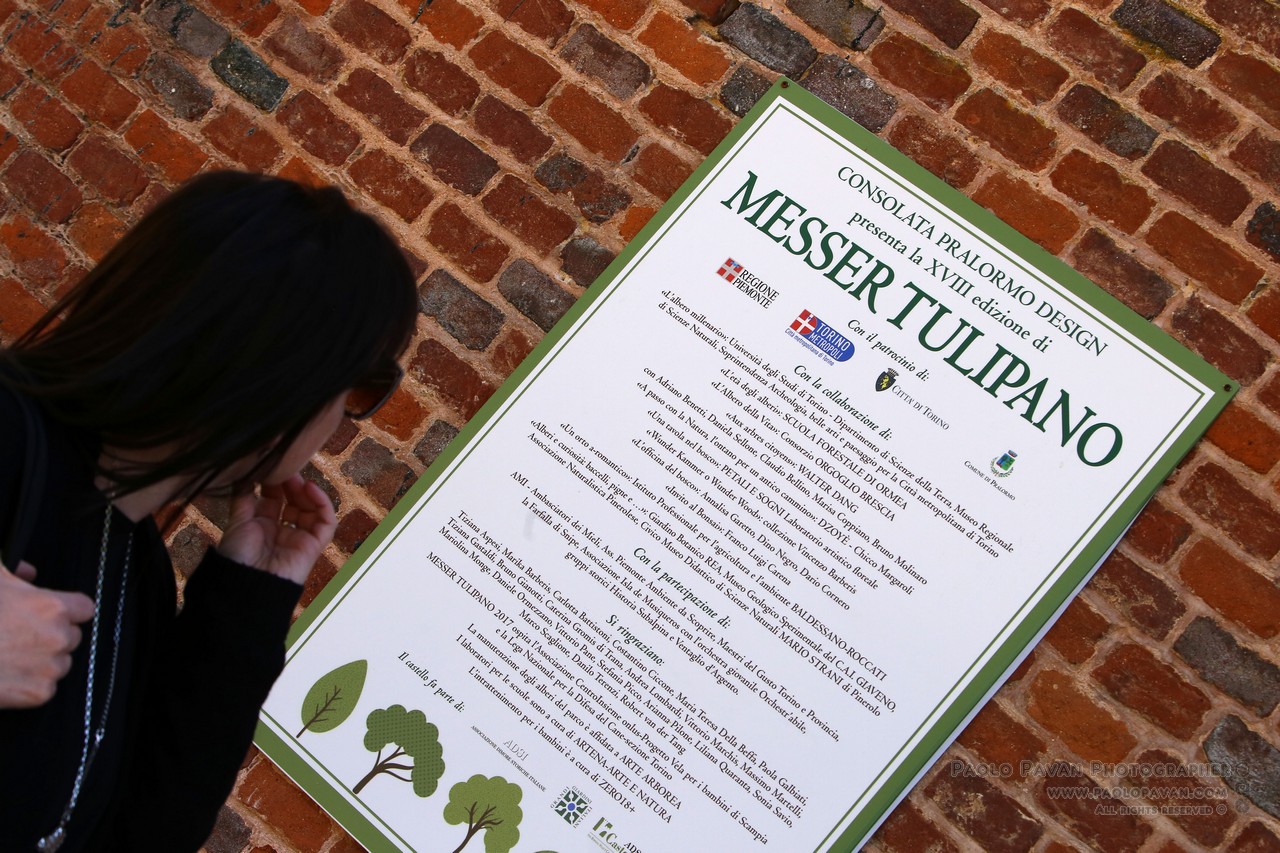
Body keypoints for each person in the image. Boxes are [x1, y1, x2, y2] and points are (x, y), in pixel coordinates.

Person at [0, 171, 418, 851]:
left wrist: (246, 602)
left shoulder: (134, 568)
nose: (346, 421)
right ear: (286, 370)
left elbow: (147, 832)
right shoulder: (11, 436)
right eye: (365, 386)